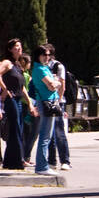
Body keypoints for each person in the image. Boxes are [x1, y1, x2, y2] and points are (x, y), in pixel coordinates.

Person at [29, 45, 63, 174]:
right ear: (38, 56)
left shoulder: (43, 68)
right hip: (46, 102)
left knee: (46, 136)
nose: (47, 57)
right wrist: (57, 82)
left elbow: (54, 84)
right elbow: (51, 86)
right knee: (45, 136)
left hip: (48, 102)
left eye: (49, 55)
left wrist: (55, 82)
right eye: (44, 55)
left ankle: (43, 166)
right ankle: (42, 167)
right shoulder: (40, 69)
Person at [0, 39, 27, 169]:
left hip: (19, 99)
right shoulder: (7, 63)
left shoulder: (18, 65)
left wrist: (29, 103)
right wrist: (5, 89)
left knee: (18, 128)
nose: (19, 49)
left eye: (20, 47)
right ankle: (18, 161)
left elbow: (22, 86)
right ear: (10, 49)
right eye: (16, 47)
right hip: (11, 99)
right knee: (15, 129)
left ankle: (10, 161)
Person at [45, 43, 72, 171]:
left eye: (46, 53)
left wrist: (58, 102)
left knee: (59, 132)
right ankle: (51, 161)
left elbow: (62, 85)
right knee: (48, 132)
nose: (44, 56)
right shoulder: (42, 66)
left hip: (57, 102)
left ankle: (65, 160)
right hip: (45, 101)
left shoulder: (57, 65)